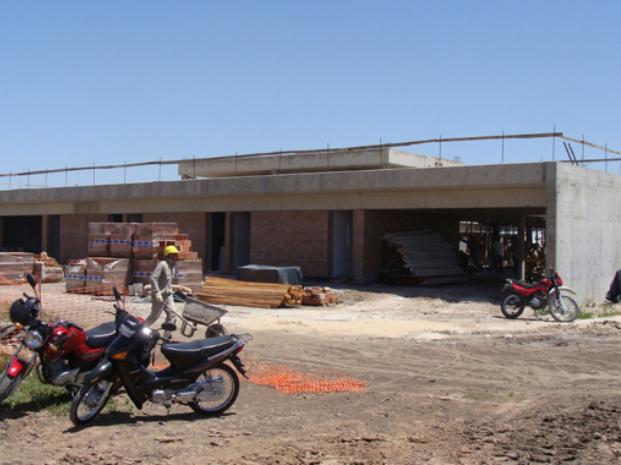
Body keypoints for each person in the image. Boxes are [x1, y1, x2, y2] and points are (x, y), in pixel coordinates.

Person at [145, 245, 180, 331]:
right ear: (169, 255)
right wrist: (157, 292)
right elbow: (153, 278)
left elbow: (168, 281)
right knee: (154, 316)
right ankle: (140, 330)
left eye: (176, 254)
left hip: (168, 295)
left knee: (172, 315)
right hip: (159, 296)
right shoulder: (162, 264)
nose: (177, 256)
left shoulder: (173, 266)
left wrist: (170, 289)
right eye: (174, 254)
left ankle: (167, 337)